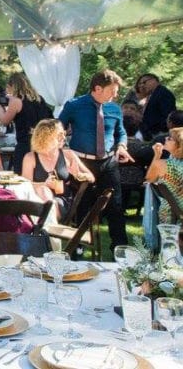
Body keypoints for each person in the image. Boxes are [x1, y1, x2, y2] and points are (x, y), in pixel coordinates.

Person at [58, 68, 132, 247]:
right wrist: (67, 155)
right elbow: (58, 131)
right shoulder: (74, 105)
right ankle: (79, 247)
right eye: (112, 91)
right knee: (82, 206)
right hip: (82, 162)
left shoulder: (114, 109)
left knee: (115, 205)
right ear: (98, 88)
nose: (115, 95)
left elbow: (121, 132)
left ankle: (119, 247)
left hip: (108, 162)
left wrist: (122, 146)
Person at [21, 119, 93, 220]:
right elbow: (25, 185)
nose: (64, 137)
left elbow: (91, 177)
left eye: (64, 133)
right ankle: (47, 229)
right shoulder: (30, 157)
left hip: (61, 201)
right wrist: (45, 184)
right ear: (46, 138)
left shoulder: (68, 155)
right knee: (43, 191)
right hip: (36, 200)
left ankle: (45, 229)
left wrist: (78, 175)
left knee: (46, 196)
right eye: (60, 135)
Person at [0, 72, 54, 174]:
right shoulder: (39, 99)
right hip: (43, 142)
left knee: (22, 175)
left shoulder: (16, 101)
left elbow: (4, 121)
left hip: (25, 143)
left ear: (12, 86)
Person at [146, 128, 183, 222]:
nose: (166, 138)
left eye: (170, 138)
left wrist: (157, 155)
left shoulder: (165, 164)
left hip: (170, 215)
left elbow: (150, 179)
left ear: (179, 145)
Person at [137, 73, 177, 140]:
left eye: (144, 82)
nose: (142, 85)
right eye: (140, 84)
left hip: (159, 133)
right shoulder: (154, 95)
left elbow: (168, 114)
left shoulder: (163, 93)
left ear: (154, 80)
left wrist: (156, 130)